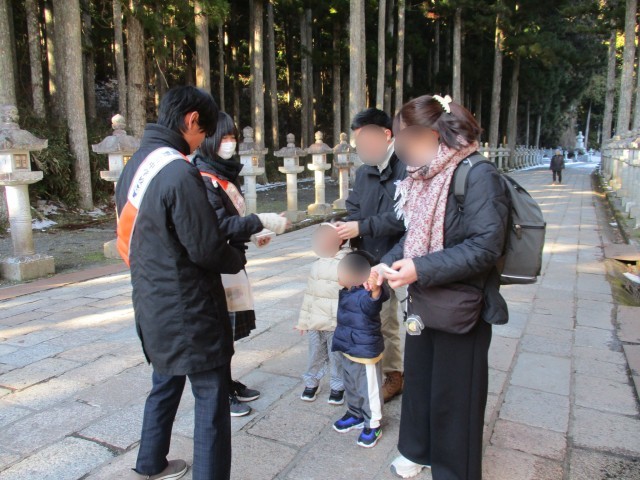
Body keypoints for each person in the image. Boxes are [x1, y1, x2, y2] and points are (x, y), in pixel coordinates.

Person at [116, 86, 244, 480]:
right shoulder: (179, 171)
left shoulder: (134, 167)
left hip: (151, 301)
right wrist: (237, 258)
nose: (202, 142)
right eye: (203, 132)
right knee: (210, 398)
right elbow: (205, 247)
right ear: (191, 120)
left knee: (165, 382)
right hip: (190, 309)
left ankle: (150, 461)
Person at [378, 94, 510, 479]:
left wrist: (419, 269)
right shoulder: (423, 176)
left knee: (456, 393)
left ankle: (454, 470)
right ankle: (416, 449)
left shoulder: (478, 174)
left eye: (407, 139)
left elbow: (485, 247)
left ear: (434, 135)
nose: (403, 150)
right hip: (424, 300)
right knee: (420, 381)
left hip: (463, 304)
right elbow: (413, 236)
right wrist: (384, 266)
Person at [193, 112, 289, 417]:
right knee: (218, 333)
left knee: (228, 333)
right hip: (215, 268)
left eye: (232, 137)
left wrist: (253, 232)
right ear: (208, 140)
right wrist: (259, 221)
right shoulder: (202, 178)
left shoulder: (222, 173)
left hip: (231, 263)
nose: (230, 143)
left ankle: (227, 382)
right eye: (224, 137)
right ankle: (219, 393)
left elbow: (232, 223)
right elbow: (218, 225)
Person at [335, 108, 407, 402]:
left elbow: (404, 217)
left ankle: (395, 374)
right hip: (368, 256)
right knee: (372, 318)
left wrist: (362, 226)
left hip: (398, 256)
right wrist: (345, 229)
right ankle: (377, 371)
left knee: (393, 321)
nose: (361, 149)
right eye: (359, 144)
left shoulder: (407, 167)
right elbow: (354, 206)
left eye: (365, 141)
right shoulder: (365, 171)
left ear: (386, 134)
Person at [332, 252, 390, 449]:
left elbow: (373, 302)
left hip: (364, 352)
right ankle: (355, 413)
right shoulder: (348, 291)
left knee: (368, 388)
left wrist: (375, 289)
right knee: (351, 384)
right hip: (348, 348)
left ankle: (373, 423)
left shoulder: (365, 294)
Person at [296, 223, 348, 404]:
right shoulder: (316, 265)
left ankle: (338, 385)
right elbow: (309, 295)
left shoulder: (346, 263)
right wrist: (303, 321)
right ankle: (311, 382)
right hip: (315, 323)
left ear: (339, 240)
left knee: (337, 356)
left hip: (336, 323)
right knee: (314, 354)